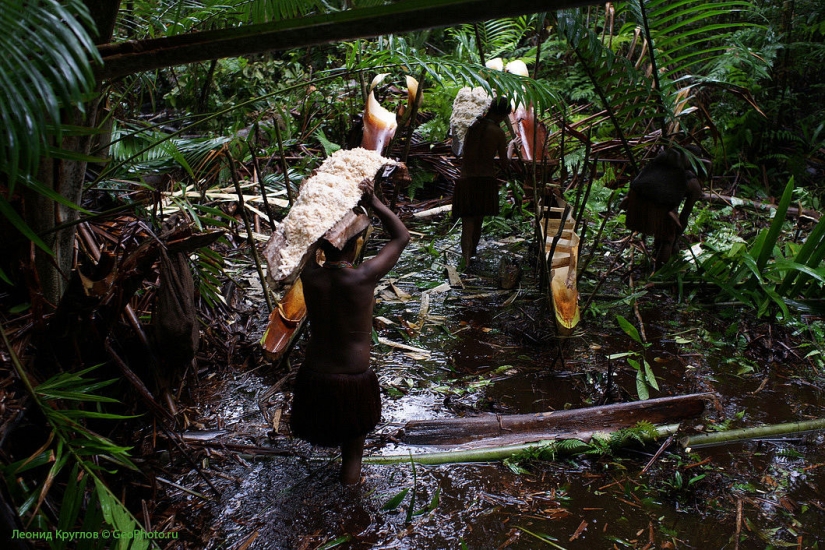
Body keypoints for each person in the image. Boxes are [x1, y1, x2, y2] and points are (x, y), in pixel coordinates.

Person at [289, 180, 410, 485]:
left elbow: (305, 248)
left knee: (323, 430)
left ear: (323, 246)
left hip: (315, 374)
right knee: (352, 454)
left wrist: (318, 231)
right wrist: (375, 202)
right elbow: (402, 236)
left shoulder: (311, 274)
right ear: (356, 245)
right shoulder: (363, 276)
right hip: (353, 379)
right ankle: (349, 503)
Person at [453, 96, 512, 267]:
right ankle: (472, 255)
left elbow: (461, 149)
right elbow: (504, 163)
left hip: (466, 179)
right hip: (485, 180)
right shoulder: (498, 133)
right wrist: (511, 147)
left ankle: (465, 260)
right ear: (503, 115)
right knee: (478, 221)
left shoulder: (472, 127)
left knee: (467, 223)